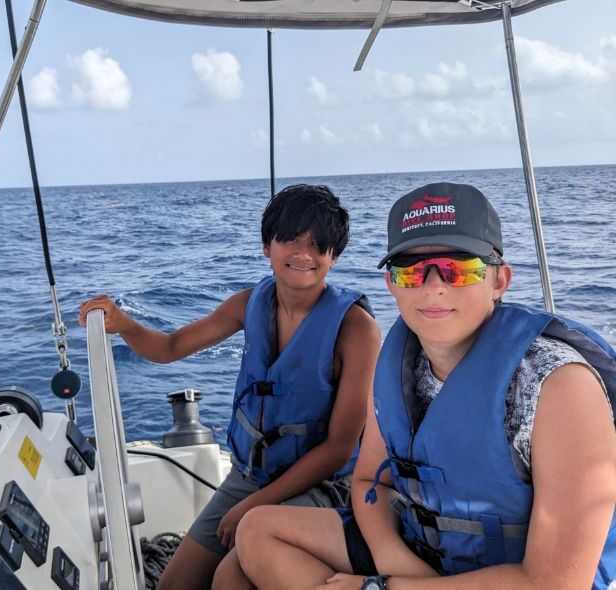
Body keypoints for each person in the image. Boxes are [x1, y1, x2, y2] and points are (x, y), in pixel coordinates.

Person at [235, 182, 616, 590]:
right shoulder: (398, 362)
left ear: (499, 281)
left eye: (459, 269)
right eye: (411, 270)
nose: (433, 286)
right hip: (421, 550)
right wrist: (395, 564)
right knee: (257, 532)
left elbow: (554, 583)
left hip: (510, 577)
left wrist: (384, 588)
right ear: (391, 285)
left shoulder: (560, 386)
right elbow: (368, 483)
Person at [78, 184, 380, 590]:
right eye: (289, 239)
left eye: (317, 245)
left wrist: (256, 505)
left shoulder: (356, 329)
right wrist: (123, 324)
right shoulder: (248, 303)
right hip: (251, 474)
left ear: (334, 256)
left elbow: (341, 447)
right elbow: (170, 347)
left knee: (230, 578)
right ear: (266, 247)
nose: (303, 253)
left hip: (323, 485)